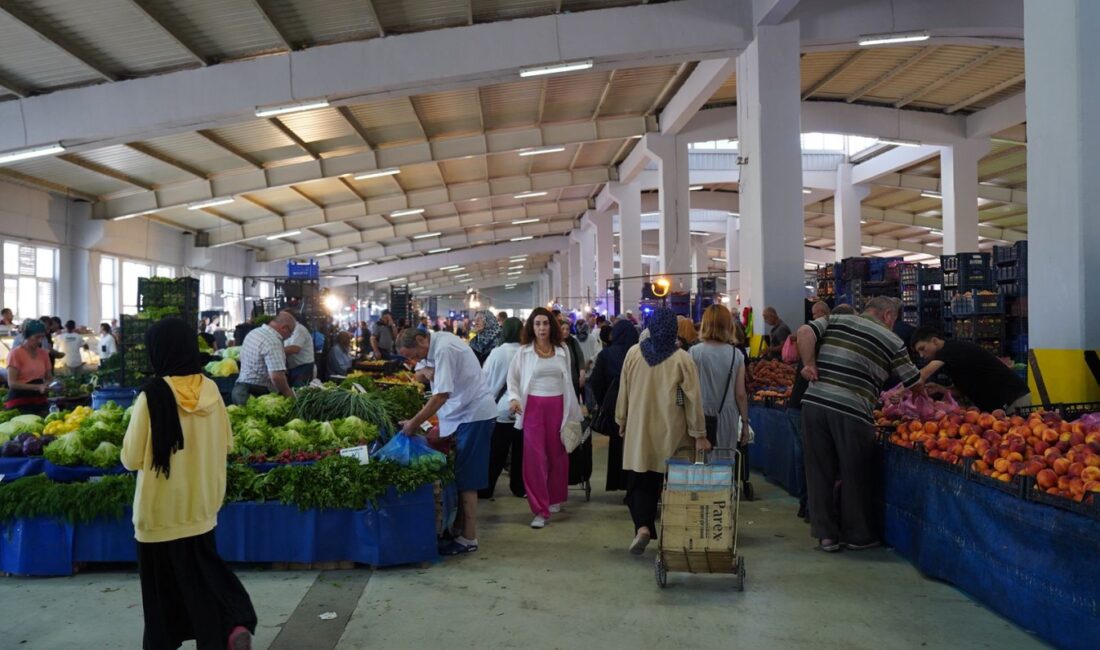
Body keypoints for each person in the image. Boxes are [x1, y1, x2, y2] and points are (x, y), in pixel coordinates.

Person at [121, 318, 256, 650]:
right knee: (200, 582)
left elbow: (131, 459)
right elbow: (226, 443)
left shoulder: (151, 397)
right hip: (202, 507)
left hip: (159, 515)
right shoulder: (210, 389)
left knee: (161, 596)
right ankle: (224, 632)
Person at [796, 296, 922, 553]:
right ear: (888, 315)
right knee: (855, 473)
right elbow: (912, 380)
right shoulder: (893, 340)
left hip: (814, 403)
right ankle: (857, 536)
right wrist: (926, 395)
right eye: (894, 319)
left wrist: (809, 364)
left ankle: (827, 537)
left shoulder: (836, 319)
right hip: (853, 411)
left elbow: (804, 330)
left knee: (818, 470)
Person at [616, 307, 709, 555]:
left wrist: (622, 420)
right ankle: (676, 535)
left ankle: (643, 528)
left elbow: (623, 391)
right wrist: (699, 433)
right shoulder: (682, 359)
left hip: (640, 430)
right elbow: (693, 399)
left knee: (640, 482)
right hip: (673, 432)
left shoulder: (633, 354)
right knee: (676, 484)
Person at [396, 327, 497, 555]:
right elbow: (423, 370)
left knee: (468, 478)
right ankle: (460, 529)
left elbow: (441, 396)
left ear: (421, 340)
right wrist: (427, 369)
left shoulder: (444, 348)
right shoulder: (435, 343)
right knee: (463, 475)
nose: (413, 360)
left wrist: (413, 423)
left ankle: (469, 538)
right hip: (464, 413)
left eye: (413, 354)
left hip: (474, 415)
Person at [506, 308, 583, 528]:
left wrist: (574, 409)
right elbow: (512, 379)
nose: (541, 328)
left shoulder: (563, 350)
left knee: (558, 454)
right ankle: (539, 509)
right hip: (533, 408)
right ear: (531, 326)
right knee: (535, 457)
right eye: (537, 323)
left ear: (552, 326)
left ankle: (555, 496)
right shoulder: (523, 353)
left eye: (545, 323)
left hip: (559, 406)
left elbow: (569, 381)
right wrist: (514, 399)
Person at [912, 328, 1032, 413]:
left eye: (922, 349)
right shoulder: (951, 359)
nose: (922, 355)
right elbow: (961, 391)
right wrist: (940, 389)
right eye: (918, 352)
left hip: (1012, 400)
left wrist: (898, 392)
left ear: (934, 341)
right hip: (1000, 407)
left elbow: (923, 375)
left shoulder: (950, 349)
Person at [788, 301, 834, 521]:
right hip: (805, 406)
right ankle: (809, 505)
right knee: (812, 458)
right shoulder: (822, 343)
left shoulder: (811, 342)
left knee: (804, 456)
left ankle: (805, 503)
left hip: (796, 405)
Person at [589, 319, 639, 492]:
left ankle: (618, 482)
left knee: (617, 445)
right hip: (636, 406)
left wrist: (604, 400)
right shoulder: (639, 354)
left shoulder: (606, 354)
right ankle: (633, 487)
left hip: (614, 405)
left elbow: (595, 381)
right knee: (635, 446)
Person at [691, 304, 749, 452]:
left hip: (699, 416)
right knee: (723, 464)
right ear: (728, 325)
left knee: (699, 465)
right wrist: (745, 423)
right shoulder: (737, 355)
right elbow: (741, 394)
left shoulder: (693, 353)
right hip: (727, 415)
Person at [480, 317, 525, 500]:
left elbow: (485, 381)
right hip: (523, 410)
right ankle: (519, 488)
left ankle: (487, 488)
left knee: (496, 453)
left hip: (500, 410)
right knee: (520, 454)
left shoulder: (496, 353)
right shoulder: (526, 352)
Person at [232, 312, 297, 405]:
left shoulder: (254, 332)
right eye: (291, 332)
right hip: (256, 395)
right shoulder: (273, 341)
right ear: (284, 328)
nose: (290, 336)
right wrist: (288, 393)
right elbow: (276, 376)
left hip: (239, 390)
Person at [4, 320, 54, 415]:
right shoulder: (15, 354)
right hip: (20, 400)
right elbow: (12, 383)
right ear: (27, 336)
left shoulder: (43, 354)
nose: (40, 341)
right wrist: (37, 387)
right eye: (37, 337)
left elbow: (49, 377)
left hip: (39, 399)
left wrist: (52, 385)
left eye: (42, 337)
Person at [282, 311, 315, 387]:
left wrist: (276, 350)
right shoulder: (289, 329)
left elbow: (295, 349)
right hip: (294, 367)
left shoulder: (299, 329)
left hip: (303, 367)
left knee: (299, 391)